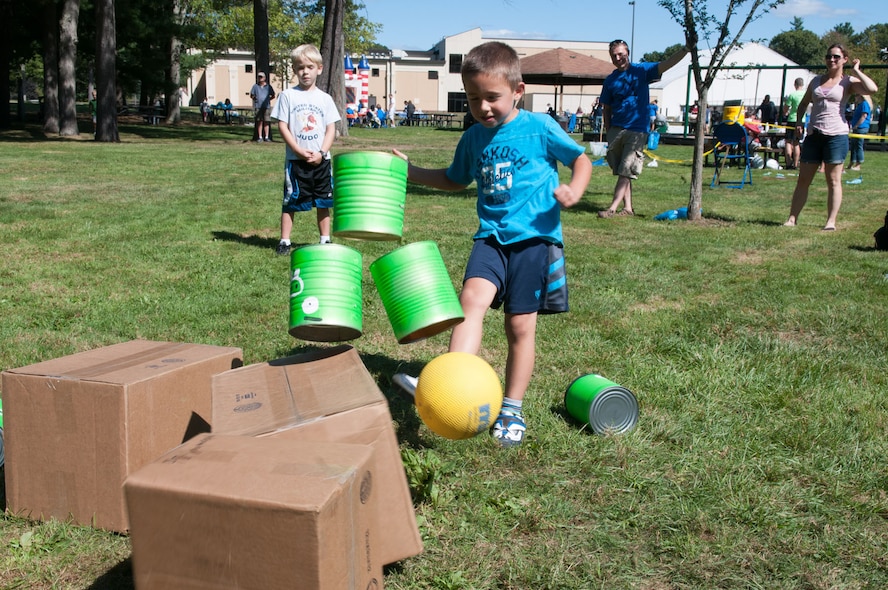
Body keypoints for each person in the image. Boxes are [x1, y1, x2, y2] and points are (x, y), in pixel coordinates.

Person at [390, 41, 592, 448]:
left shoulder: (539, 127)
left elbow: (581, 159)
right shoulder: (472, 139)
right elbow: (454, 179)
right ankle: (447, 383)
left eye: (492, 97)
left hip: (534, 240)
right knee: (469, 306)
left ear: (517, 90)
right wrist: (411, 172)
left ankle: (512, 408)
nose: (483, 107)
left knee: (519, 325)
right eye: (473, 98)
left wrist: (575, 188)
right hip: (490, 238)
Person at [784, 44, 878, 231]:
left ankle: (830, 222)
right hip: (814, 135)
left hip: (836, 136)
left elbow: (872, 89)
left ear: (844, 59)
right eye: (828, 56)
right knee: (803, 180)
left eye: (836, 56)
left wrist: (857, 71)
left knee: (833, 180)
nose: (831, 60)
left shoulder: (848, 82)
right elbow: (803, 105)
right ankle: (792, 219)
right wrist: (799, 123)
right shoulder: (816, 81)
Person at [598, 39, 688, 218]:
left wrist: (685, 49)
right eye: (614, 55)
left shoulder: (642, 71)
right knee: (623, 170)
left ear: (628, 53)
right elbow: (606, 108)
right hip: (617, 129)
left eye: (621, 54)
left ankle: (612, 209)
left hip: (637, 129)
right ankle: (628, 208)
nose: (618, 58)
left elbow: (666, 64)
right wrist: (609, 131)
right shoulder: (610, 80)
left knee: (626, 169)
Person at [271, 44, 341, 254]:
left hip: (321, 160)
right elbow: (282, 125)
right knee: (290, 201)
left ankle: (325, 240)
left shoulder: (325, 99)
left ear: (319, 68)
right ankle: (285, 241)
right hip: (296, 161)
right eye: (300, 67)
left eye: (310, 67)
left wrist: (321, 153)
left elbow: (331, 128)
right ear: (294, 69)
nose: (305, 72)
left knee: (323, 200)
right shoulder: (288, 96)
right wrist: (299, 151)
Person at [783, 77, 806, 170]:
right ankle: (796, 164)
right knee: (797, 143)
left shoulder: (792, 95)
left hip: (792, 119)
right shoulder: (806, 94)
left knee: (788, 142)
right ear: (802, 85)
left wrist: (786, 113)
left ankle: (788, 163)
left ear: (795, 84)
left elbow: (786, 108)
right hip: (802, 120)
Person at [848, 93, 872, 171]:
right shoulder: (859, 105)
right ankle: (851, 163)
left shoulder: (864, 104)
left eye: (856, 95)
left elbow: (864, 116)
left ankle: (858, 165)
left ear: (860, 96)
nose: (855, 97)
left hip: (861, 128)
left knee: (858, 146)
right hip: (856, 128)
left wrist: (856, 126)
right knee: (854, 146)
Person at [250, 72, 276, 142]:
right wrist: (256, 99)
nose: (260, 78)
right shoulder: (255, 86)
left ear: (264, 78)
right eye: (259, 77)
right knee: (259, 122)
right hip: (258, 106)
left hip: (266, 106)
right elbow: (252, 95)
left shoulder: (268, 87)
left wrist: (268, 100)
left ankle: (267, 137)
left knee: (266, 121)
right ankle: (260, 137)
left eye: (261, 77)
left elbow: (273, 95)